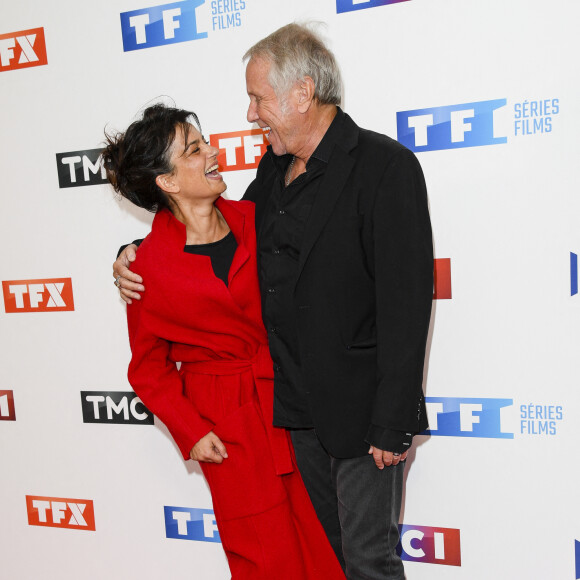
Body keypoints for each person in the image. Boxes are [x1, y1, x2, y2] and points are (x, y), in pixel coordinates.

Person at [114, 24, 433, 580]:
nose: (251, 114)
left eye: (258, 98)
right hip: (290, 419)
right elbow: (209, 246)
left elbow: (407, 305)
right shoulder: (270, 177)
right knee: (323, 560)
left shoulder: (385, 167)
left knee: (367, 560)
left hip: (362, 416)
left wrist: (393, 420)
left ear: (302, 93)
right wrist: (129, 253)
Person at [103, 103, 345, 580]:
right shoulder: (146, 268)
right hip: (226, 426)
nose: (212, 153)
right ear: (167, 182)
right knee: (263, 556)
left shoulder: (260, 219)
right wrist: (192, 431)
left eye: (204, 141)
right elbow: (147, 368)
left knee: (326, 547)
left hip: (292, 407)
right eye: (194, 150)